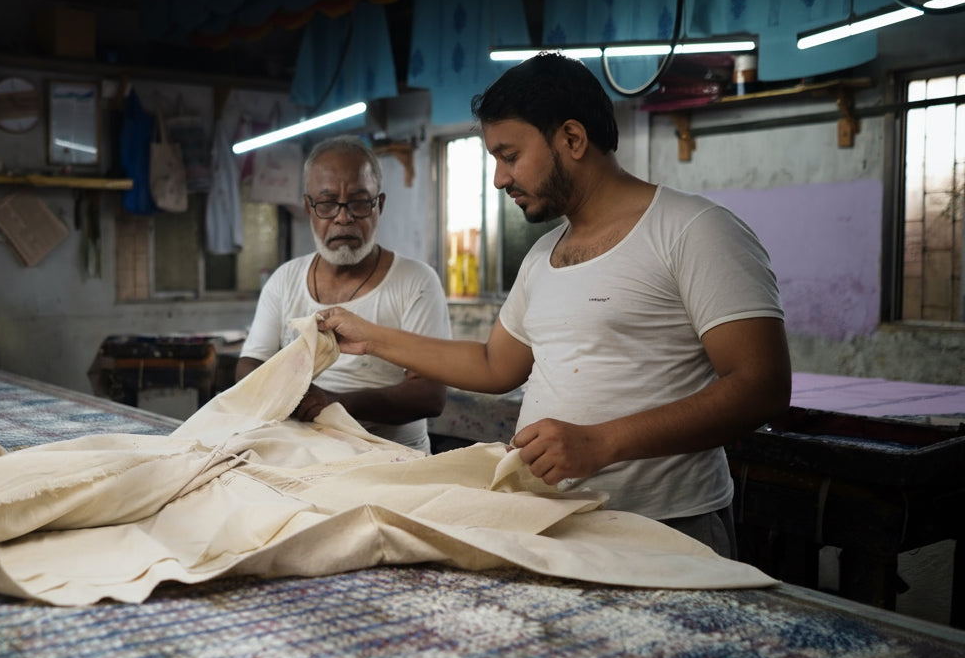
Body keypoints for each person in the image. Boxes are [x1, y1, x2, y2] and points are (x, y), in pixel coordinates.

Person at [316, 54, 791, 558]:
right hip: (556, 523)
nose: (499, 178)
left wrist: (601, 443)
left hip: (666, 528)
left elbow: (761, 387)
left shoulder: (694, 230)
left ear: (571, 139)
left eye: (509, 155)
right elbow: (494, 365)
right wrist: (371, 336)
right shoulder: (544, 255)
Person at [235, 135, 450, 452]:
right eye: (327, 203)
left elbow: (430, 395)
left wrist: (334, 405)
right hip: (302, 456)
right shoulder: (285, 280)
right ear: (309, 207)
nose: (343, 217)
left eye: (360, 203)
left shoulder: (416, 282)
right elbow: (250, 364)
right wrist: (294, 394)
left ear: (380, 205)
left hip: (393, 463)